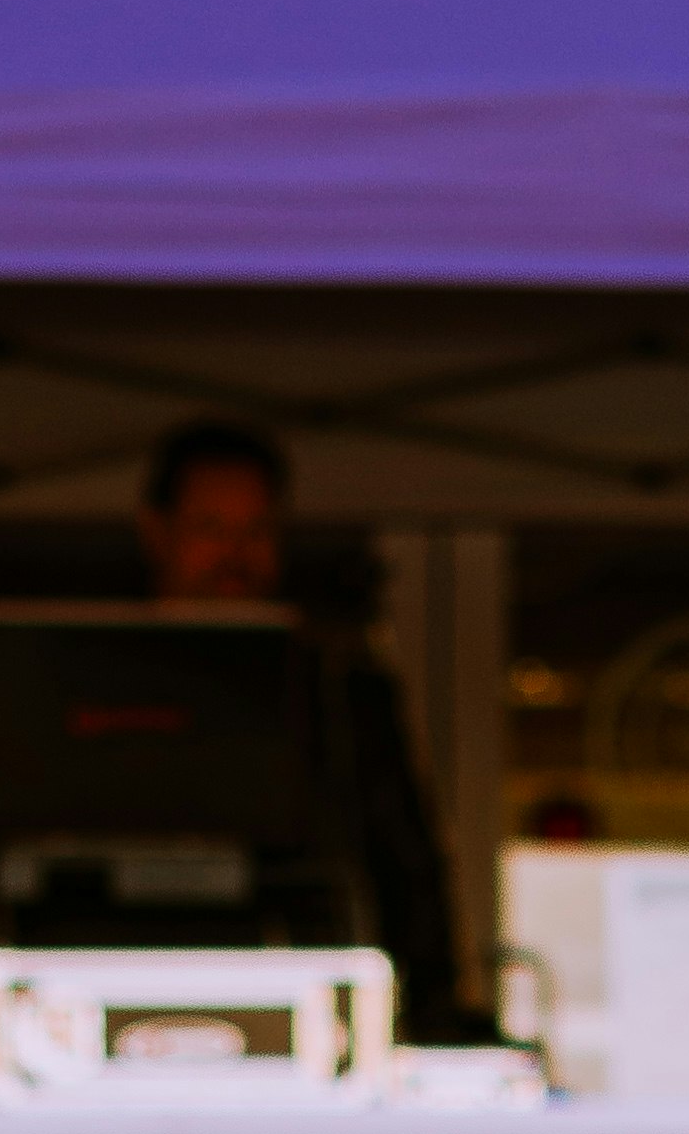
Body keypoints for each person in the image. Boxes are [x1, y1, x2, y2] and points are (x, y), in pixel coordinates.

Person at [133, 414, 477, 1040]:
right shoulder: (105, 684)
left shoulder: (341, 693)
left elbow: (411, 873)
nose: (236, 555)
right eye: (211, 529)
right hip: (133, 1005)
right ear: (156, 532)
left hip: (314, 1017)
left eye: (257, 530)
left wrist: (429, 1021)